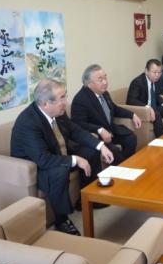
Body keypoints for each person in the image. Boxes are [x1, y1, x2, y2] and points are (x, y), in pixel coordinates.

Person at [11, 79, 115, 235]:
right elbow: (43, 159)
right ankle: (62, 220)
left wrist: (100, 146)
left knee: (90, 151)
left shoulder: (57, 111)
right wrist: (75, 160)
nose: (66, 102)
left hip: (57, 152)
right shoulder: (28, 123)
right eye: (62, 99)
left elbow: (75, 131)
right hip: (35, 166)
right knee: (59, 171)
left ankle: (84, 200)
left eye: (65, 96)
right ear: (45, 103)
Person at [71, 64, 142, 165]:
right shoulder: (80, 100)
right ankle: (120, 172)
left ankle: (127, 165)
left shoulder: (104, 93)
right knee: (114, 151)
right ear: (89, 84)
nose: (105, 82)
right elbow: (78, 124)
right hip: (96, 137)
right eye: (100, 80)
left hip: (111, 130)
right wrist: (99, 129)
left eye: (105, 77)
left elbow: (114, 108)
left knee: (131, 137)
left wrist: (132, 115)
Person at [126, 59, 163, 137]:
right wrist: (147, 108)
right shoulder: (137, 82)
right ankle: (162, 140)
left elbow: (156, 94)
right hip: (143, 110)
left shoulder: (156, 81)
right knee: (156, 114)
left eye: (159, 72)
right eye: (154, 72)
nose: (157, 75)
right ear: (146, 71)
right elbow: (131, 100)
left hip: (154, 108)